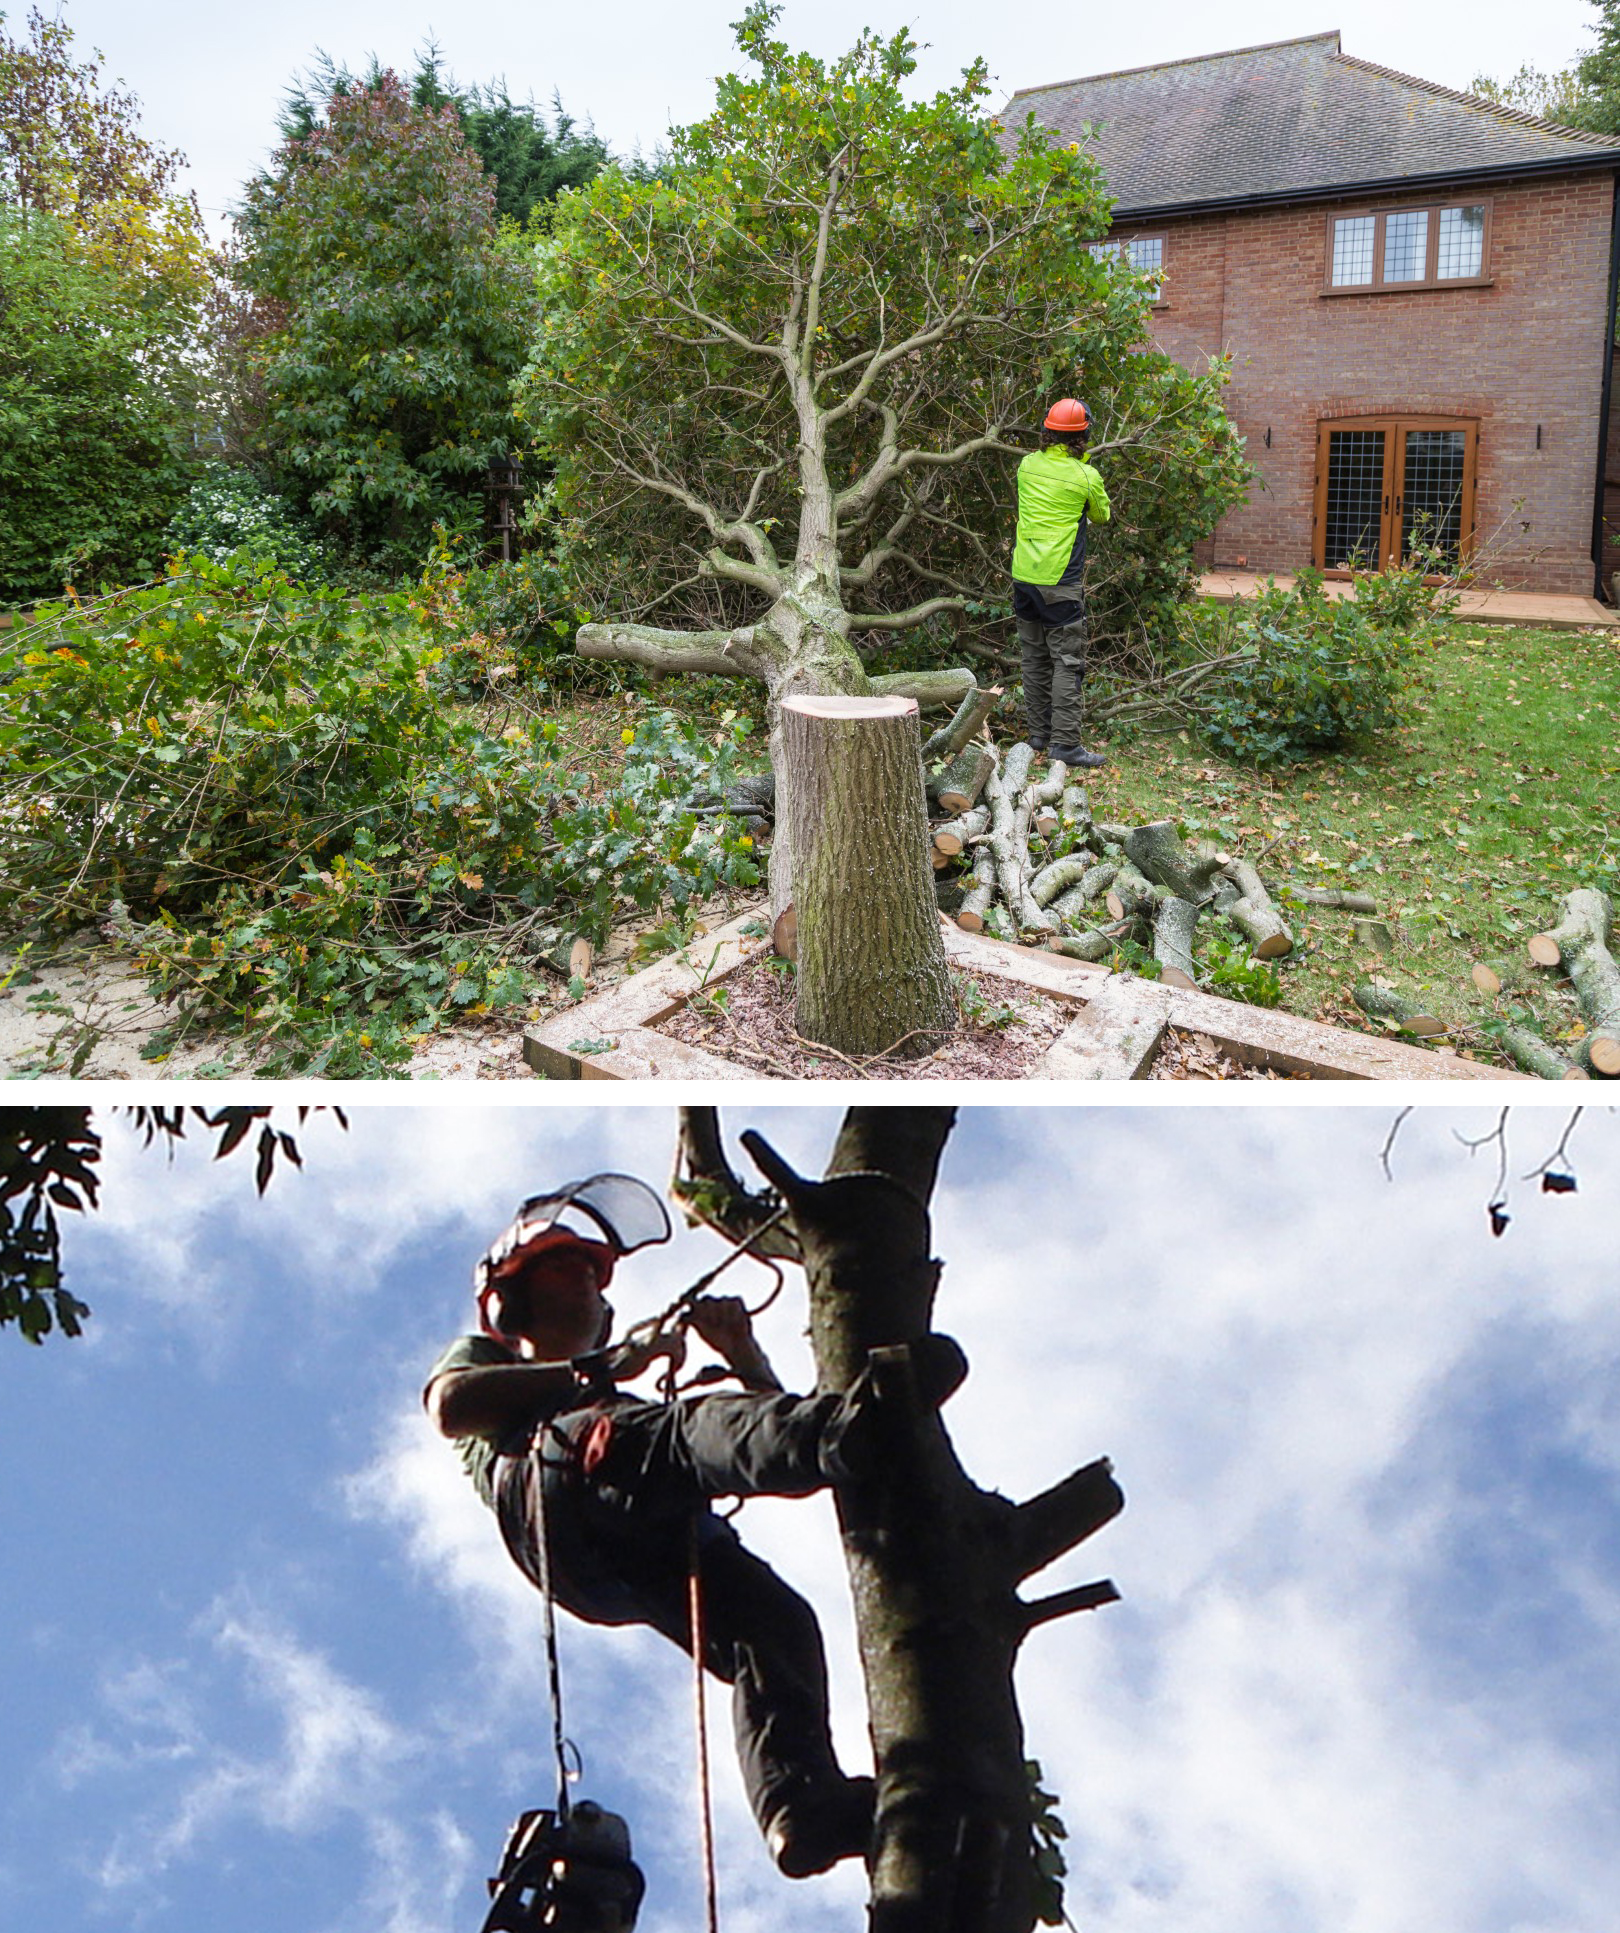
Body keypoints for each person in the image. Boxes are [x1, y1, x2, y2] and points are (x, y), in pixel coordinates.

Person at [423, 1174, 964, 1881]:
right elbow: (448, 1405)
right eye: (567, 1265)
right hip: (554, 1490)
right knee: (683, 1432)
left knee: (774, 1624)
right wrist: (605, 1366)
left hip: (626, 1550)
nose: (587, 1278)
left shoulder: (606, 1402)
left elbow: (791, 1444)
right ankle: (843, 1424)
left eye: (594, 1270)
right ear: (509, 1300)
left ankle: (801, 1809)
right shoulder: (496, 1366)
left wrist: (742, 1354)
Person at [1011, 397, 1112, 769]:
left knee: (1034, 658)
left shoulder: (1026, 466)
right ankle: (1066, 744)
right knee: (1067, 663)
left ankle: (1039, 734)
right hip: (1060, 582)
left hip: (1024, 576)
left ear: (1046, 430)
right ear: (1084, 434)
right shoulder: (1086, 476)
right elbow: (1101, 515)